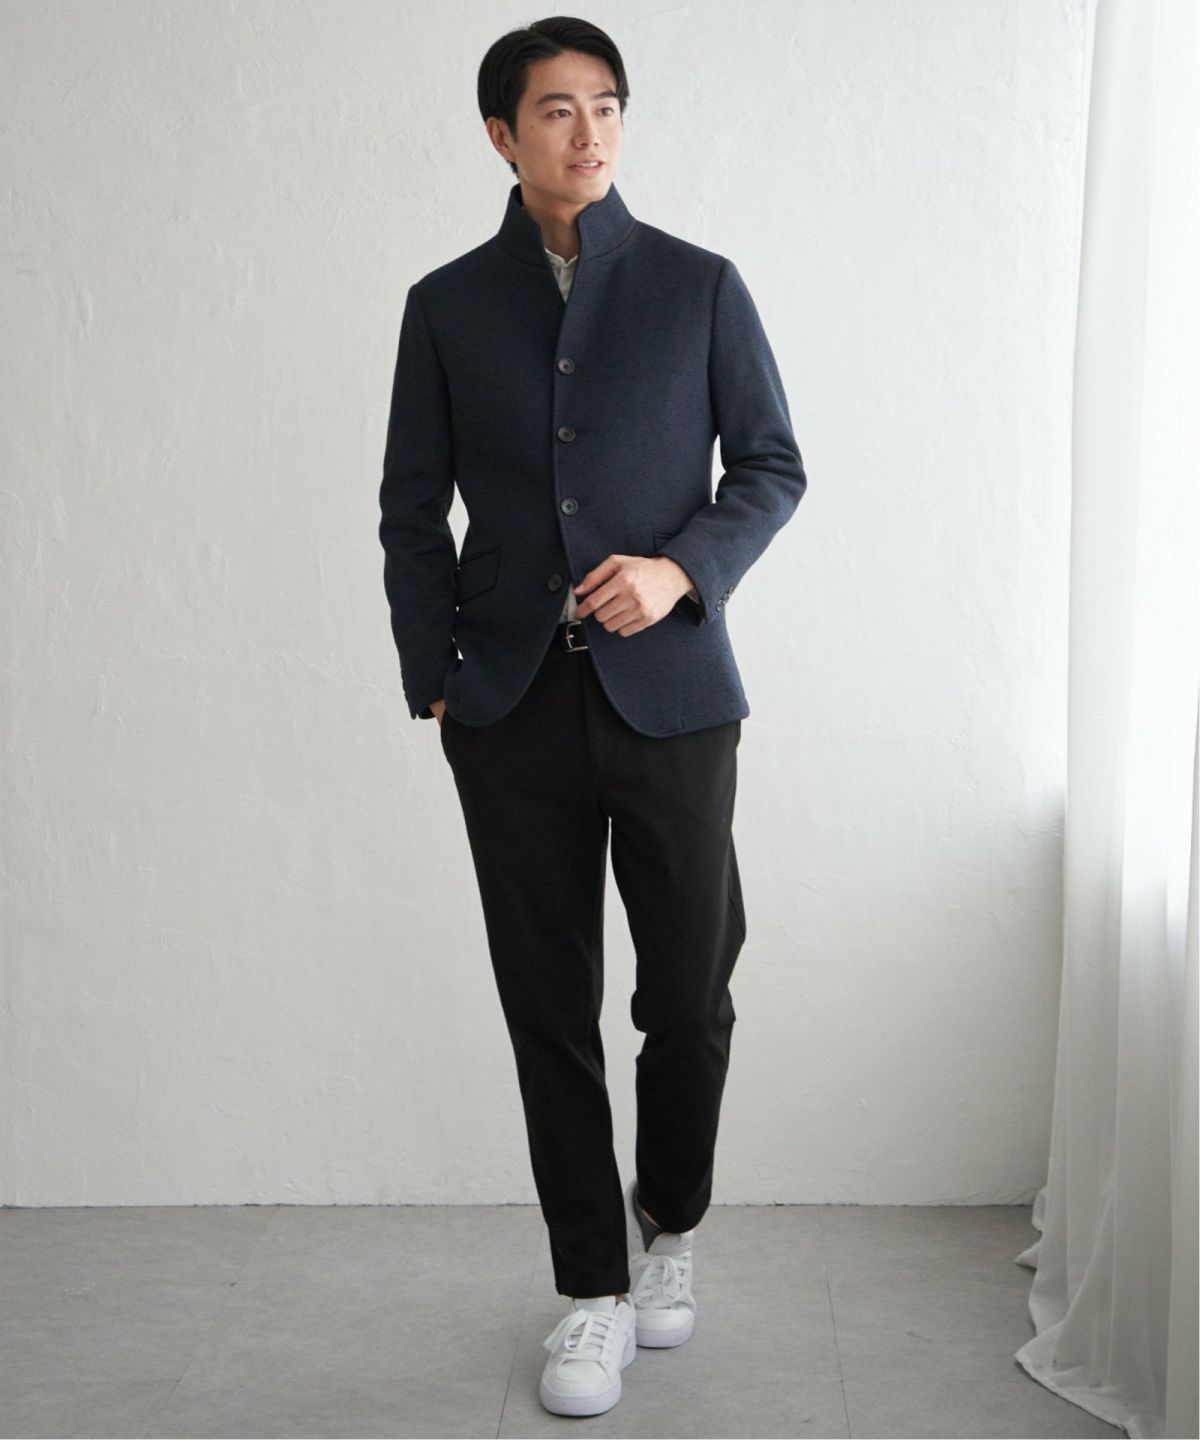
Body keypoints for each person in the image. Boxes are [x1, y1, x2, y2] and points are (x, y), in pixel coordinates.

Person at [378, 15, 807, 1418]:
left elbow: (771, 467)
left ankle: (666, 1221)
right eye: (557, 110)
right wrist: (433, 666)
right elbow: (410, 506)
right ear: (501, 135)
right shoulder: (447, 306)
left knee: (687, 989)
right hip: (507, 705)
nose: (589, 131)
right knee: (546, 1004)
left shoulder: (697, 286)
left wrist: (682, 570)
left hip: (672, 696)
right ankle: (593, 1290)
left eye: (606, 104)